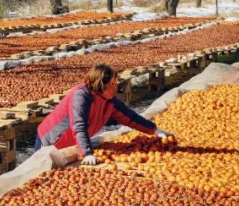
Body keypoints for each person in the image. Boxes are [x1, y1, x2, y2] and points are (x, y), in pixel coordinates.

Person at [35, 63, 171, 164]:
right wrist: (87, 153)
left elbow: (129, 117)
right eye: (111, 84)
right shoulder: (81, 96)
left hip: (72, 142)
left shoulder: (109, 99)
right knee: (41, 168)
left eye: (115, 83)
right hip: (51, 140)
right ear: (100, 84)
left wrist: (154, 130)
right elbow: (79, 125)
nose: (115, 88)